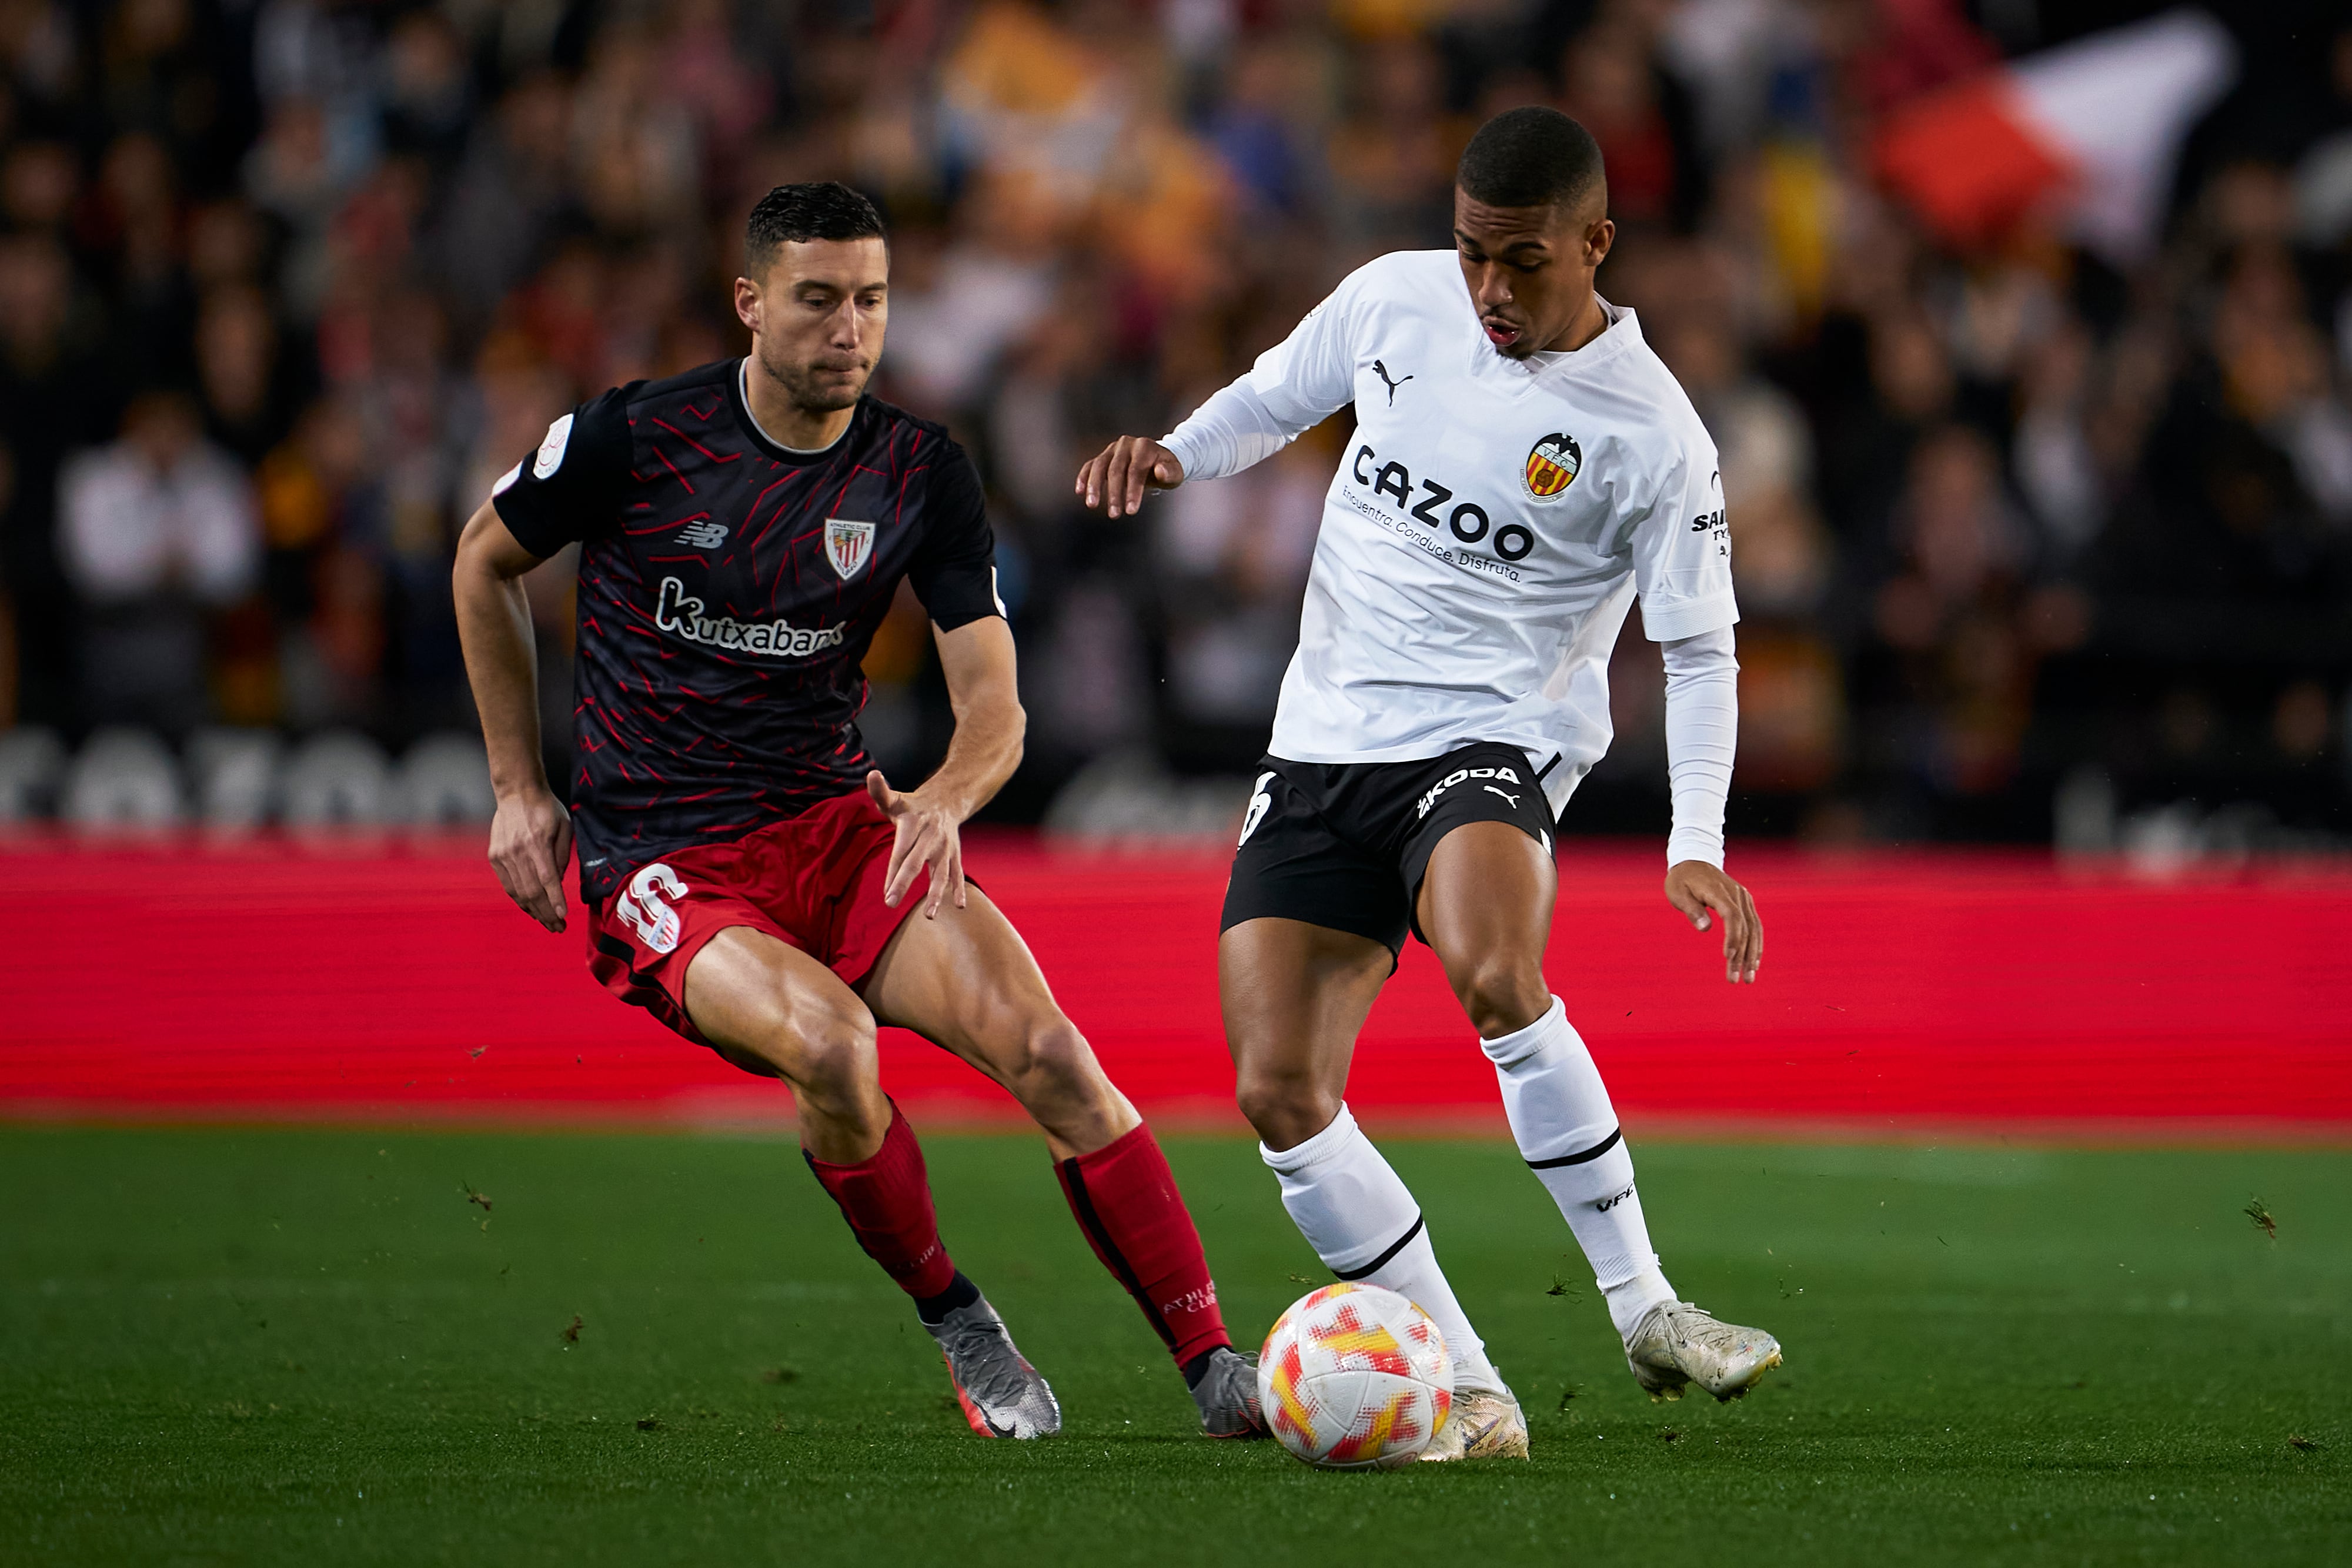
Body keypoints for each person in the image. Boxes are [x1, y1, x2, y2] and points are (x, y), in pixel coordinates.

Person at [452, 182, 1262, 1442]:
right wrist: (517, 786)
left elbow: (994, 700)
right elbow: (481, 560)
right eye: (819, 300)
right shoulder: (634, 436)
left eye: (870, 301)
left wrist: (945, 796)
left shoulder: (918, 468)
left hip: (841, 828)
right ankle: (957, 1315)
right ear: (750, 303)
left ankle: (1216, 1367)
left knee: (1051, 1053)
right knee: (832, 1048)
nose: (849, 329)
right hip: (667, 858)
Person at [1075, 107, 1779, 1460]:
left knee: (1492, 969)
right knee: (1279, 1087)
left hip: (1488, 741)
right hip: (1320, 742)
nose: (1489, 290)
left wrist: (1698, 832)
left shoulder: (1650, 432)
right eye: (1471, 255)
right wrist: (1174, 451)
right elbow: (1275, 396)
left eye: (1521, 261)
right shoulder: (1395, 302)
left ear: (1594, 243)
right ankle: (1466, 1381)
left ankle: (1643, 1300)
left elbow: (1699, 647)